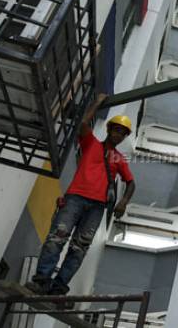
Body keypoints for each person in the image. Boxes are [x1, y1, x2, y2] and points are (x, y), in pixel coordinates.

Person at [26, 94, 136, 295]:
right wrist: (97, 102)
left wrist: (123, 203)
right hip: (75, 198)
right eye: (116, 130)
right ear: (109, 129)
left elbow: (131, 183)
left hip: (97, 207)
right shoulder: (91, 143)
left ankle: (58, 288)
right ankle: (42, 280)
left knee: (79, 248)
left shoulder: (119, 158)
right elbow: (83, 123)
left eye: (123, 133)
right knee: (57, 238)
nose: (119, 135)